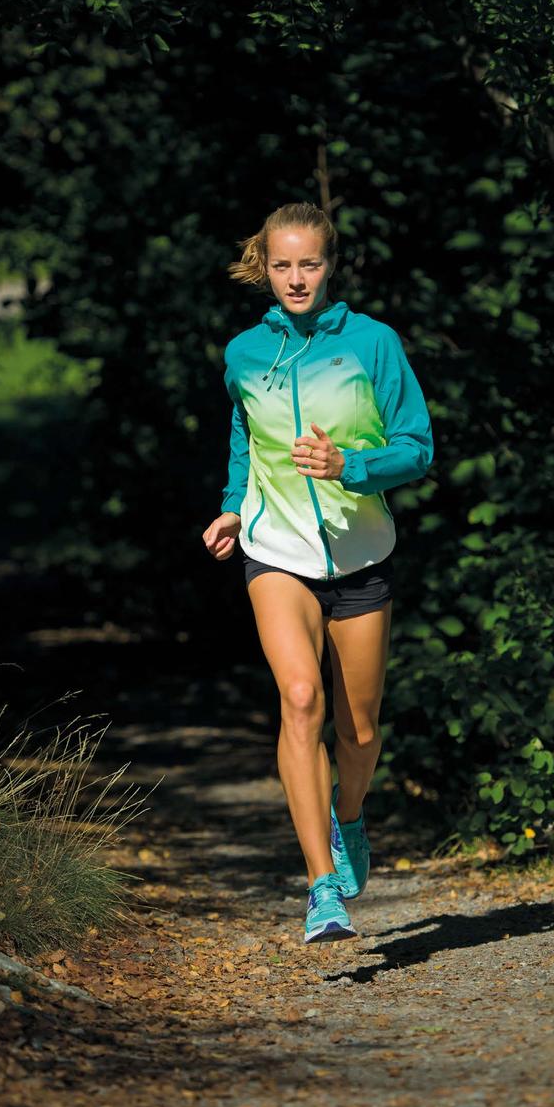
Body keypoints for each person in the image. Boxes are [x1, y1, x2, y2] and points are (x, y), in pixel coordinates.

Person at [201, 202, 434, 943]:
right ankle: (321, 886)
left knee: (358, 729)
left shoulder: (373, 344)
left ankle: (352, 819)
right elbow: (245, 435)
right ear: (263, 268)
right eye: (282, 266)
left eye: (309, 264)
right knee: (300, 699)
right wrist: (234, 508)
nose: (296, 279)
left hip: (362, 554)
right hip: (278, 553)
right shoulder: (244, 352)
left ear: (331, 265)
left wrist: (352, 466)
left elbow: (418, 447)